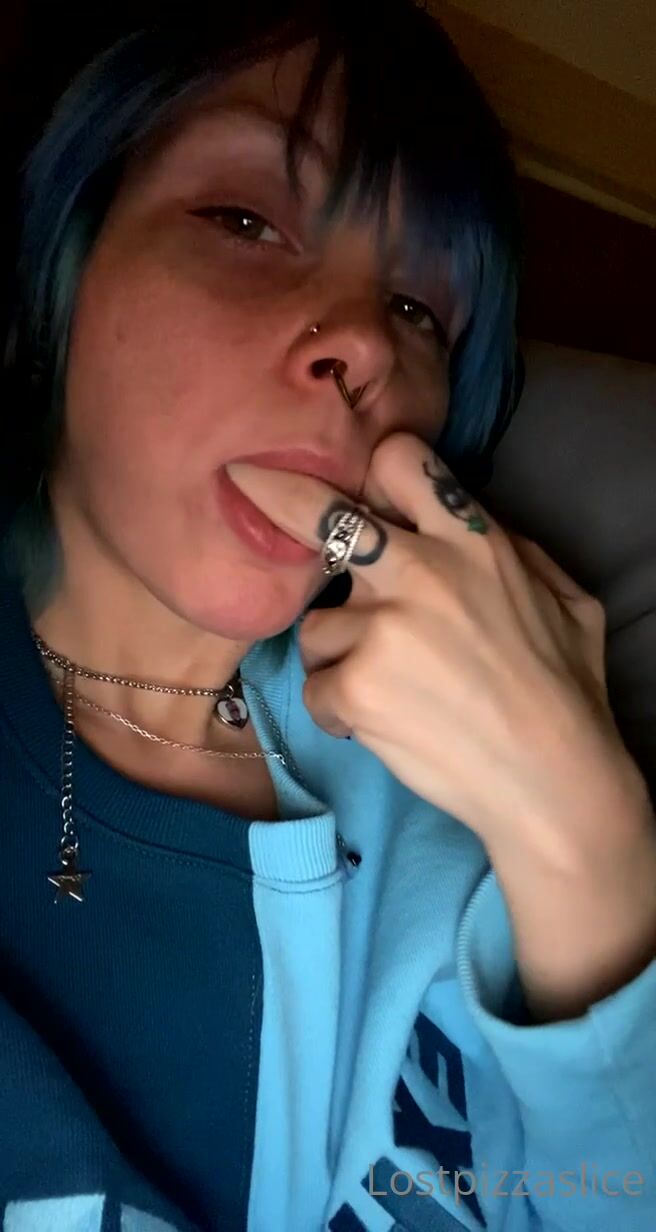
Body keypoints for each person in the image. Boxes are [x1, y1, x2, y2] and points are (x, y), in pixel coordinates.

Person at [1, 2, 655, 1230]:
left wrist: (592, 843)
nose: (359, 340)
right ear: (62, 256)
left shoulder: (470, 802)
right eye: (244, 220)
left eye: (417, 312)